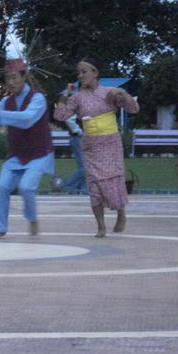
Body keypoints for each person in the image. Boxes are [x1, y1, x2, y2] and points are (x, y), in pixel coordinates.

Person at [53, 56, 139, 238]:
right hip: (91, 146)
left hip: (110, 144)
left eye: (84, 71)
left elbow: (133, 109)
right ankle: (100, 226)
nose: (81, 75)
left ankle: (121, 214)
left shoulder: (109, 93)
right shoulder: (77, 98)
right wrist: (65, 94)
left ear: (95, 73)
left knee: (113, 180)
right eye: (79, 72)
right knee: (94, 186)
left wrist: (122, 92)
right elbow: (60, 115)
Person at [0, 57, 54, 240]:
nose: (11, 83)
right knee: (2, 187)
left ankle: (32, 219)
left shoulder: (38, 99)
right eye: (7, 79)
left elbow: (27, 119)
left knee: (26, 188)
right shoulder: (5, 102)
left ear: (24, 77)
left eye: (14, 78)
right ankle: (1, 228)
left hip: (39, 153)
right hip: (16, 155)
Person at [62, 84, 88, 194]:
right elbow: (69, 119)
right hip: (77, 137)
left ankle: (83, 189)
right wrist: (79, 131)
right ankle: (68, 187)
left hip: (80, 137)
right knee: (84, 166)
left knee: (86, 165)